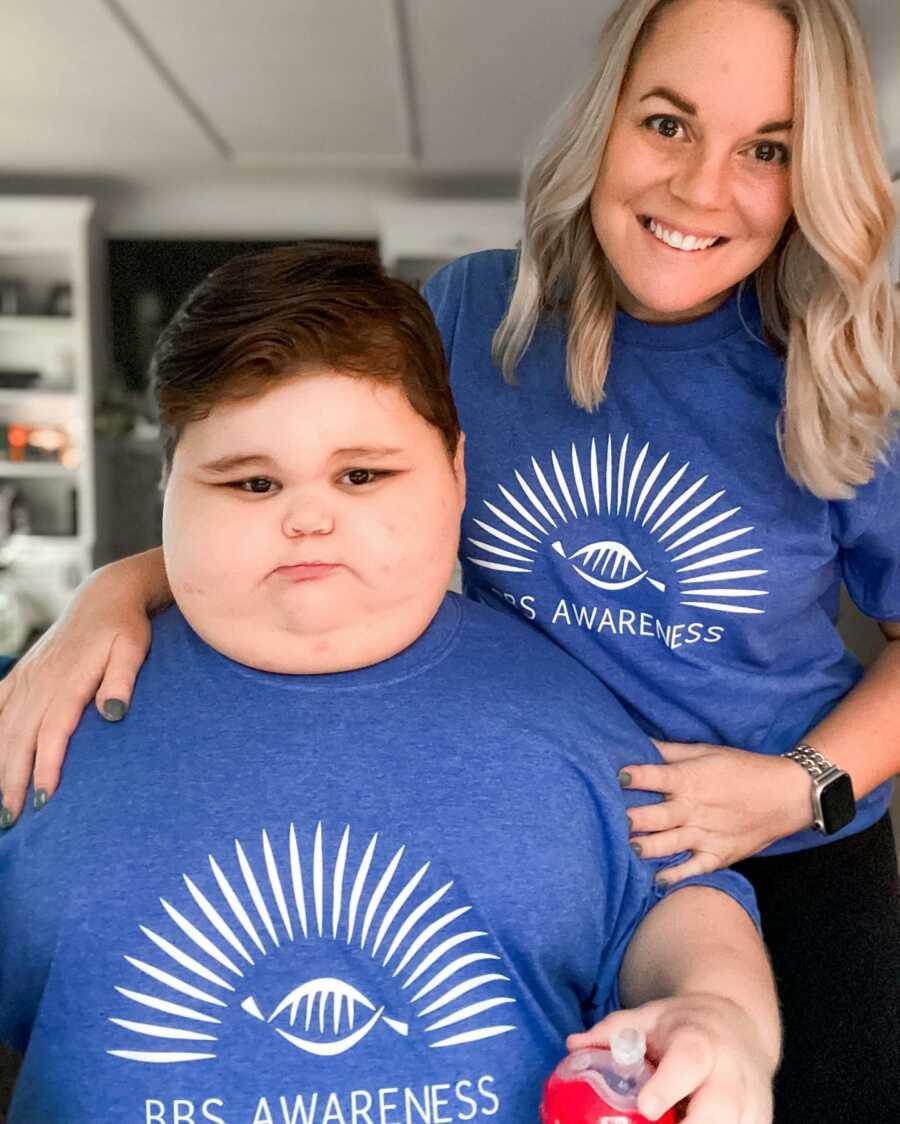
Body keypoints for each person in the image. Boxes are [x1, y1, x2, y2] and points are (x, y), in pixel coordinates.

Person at [0, 0, 897, 1118]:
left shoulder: (854, 361)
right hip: (533, 798)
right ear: (603, 120)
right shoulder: (479, 313)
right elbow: (315, 475)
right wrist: (111, 590)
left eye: (769, 148)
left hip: (790, 838)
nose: (704, 187)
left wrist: (797, 788)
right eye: (668, 124)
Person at [0, 245, 778, 1123]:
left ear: (456, 471)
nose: (309, 516)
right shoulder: (37, 711)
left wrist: (721, 1014)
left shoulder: (563, 702)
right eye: (251, 481)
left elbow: (677, 902)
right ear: (167, 487)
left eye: (362, 474)